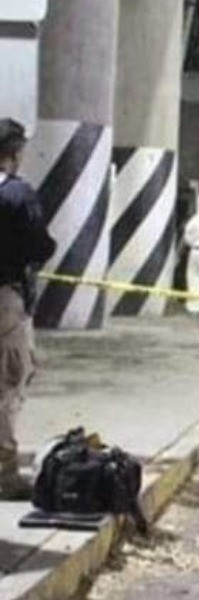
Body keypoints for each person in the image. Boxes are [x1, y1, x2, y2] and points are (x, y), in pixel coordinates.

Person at [0, 118, 57, 499]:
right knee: (8, 381)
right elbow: (42, 246)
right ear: (14, 154)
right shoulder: (18, 194)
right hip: (5, 298)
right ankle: (4, 475)